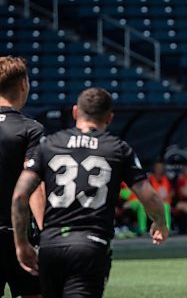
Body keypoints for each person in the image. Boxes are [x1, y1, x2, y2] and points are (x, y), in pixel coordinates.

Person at [11, 87, 168, 298]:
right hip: (91, 246)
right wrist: (160, 222)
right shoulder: (118, 149)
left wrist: (21, 243)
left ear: (75, 112)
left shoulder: (49, 144)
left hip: (51, 246)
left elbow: (20, 196)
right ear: (110, 118)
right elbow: (149, 196)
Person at [0, 56, 43, 298]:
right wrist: (47, 233)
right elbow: (34, 186)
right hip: (18, 233)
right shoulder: (31, 129)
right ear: (23, 85)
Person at [148, 161, 173, 230]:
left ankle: (166, 228)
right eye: (157, 168)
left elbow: (171, 192)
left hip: (165, 202)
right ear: (154, 168)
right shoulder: (151, 179)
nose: (159, 169)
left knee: (166, 206)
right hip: (153, 202)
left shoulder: (166, 179)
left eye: (161, 168)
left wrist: (168, 197)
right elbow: (148, 192)